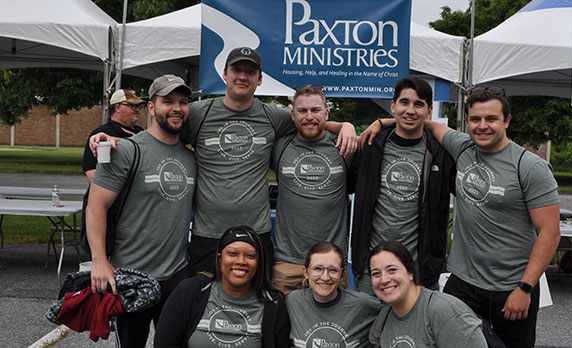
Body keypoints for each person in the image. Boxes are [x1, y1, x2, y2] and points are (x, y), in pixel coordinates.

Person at [92, 47, 358, 276]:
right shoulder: (198, 112)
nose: (242, 76)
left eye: (250, 72)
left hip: (256, 234)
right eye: (236, 70)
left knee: (255, 309)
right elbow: (161, 135)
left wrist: (344, 125)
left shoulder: (272, 116)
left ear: (260, 79)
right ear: (225, 74)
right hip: (208, 235)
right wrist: (119, 141)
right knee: (200, 311)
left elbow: (309, 121)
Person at [422, 86, 561, 348]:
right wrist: (380, 122)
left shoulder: (529, 167)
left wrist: (525, 288)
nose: (482, 126)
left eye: (491, 119)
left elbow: (550, 233)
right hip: (462, 284)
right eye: (475, 119)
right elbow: (429, 125)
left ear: (507, 120)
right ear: (467, 121)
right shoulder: (462, 147)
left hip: (512, 289)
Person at [86, 75, 196, 348]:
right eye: (167, 101)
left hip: (176, 274)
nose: (176, 108)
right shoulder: (126, 151)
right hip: (132, 274)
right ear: (150, 107)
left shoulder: (191, 156)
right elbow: (96, 206)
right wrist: (99, 260)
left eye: (182, 102)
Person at [349, 77, 455, 294]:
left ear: (429, 110)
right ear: (393, 105)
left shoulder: (441, 153)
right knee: (370, 328)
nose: (410, 110)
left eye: (419, 104)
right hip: (373, 271)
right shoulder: (371, 146)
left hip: (419, 272)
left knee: (419, 329)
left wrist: (382, 121)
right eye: (404, 102)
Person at [270, 86, 351, 295]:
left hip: (330, 265)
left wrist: (347, 125)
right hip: (288, 264)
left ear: (326, 113)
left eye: (315, 110)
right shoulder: (279, 146)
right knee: (281, 326)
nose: (309, 117)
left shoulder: (344, 145)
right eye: (302, 111)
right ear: (292, 115)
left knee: (327, 327)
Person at [154, 226, 291, 348]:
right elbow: (164, 343)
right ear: (219, 259)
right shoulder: (191, 290)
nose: (241, 261)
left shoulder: (273, 303)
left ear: (258, 262)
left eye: (250, 256)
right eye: (232, 254)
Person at [367, 240, 487, 348]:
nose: (384, 280)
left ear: (410, 272)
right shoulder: (382, 323)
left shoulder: (445, 312)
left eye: (392, 270)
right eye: (376, 273)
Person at [286, 242, 382, 348]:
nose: (325, 277)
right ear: (306, 272)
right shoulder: (294, 301)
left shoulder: (363, 304)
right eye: (318, 268)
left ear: (342, 275)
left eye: (333, 270)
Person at [82, 89, 145, 184]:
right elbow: (92, 175)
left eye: (138, 106)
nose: (137, 109)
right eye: (132, 105)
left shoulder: (140, 132)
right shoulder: (101, 134)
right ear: (117, 107)